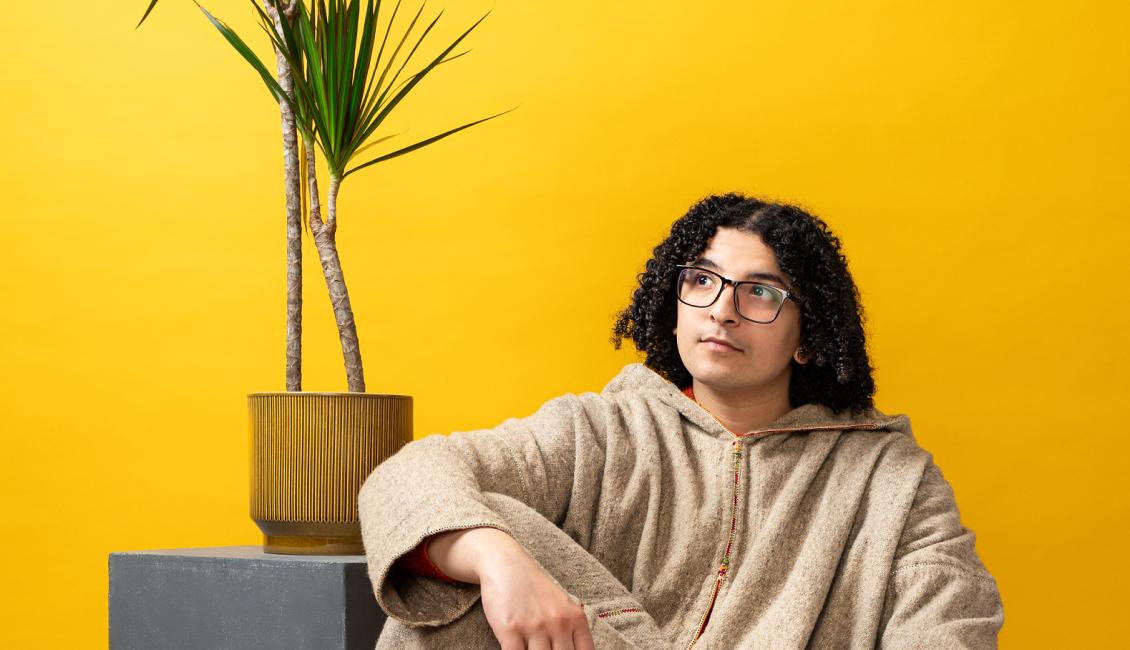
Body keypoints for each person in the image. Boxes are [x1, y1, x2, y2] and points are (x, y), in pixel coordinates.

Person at [357, 193, 1004, 649]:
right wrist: (499, 561)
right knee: (482, 531)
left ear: (809, 338)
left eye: (760, 291)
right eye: (702, 281)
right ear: (674, 307)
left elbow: (951, 624)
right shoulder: (598, 432)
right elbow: (407, 478)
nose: (722, 310)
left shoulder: (890, 480)